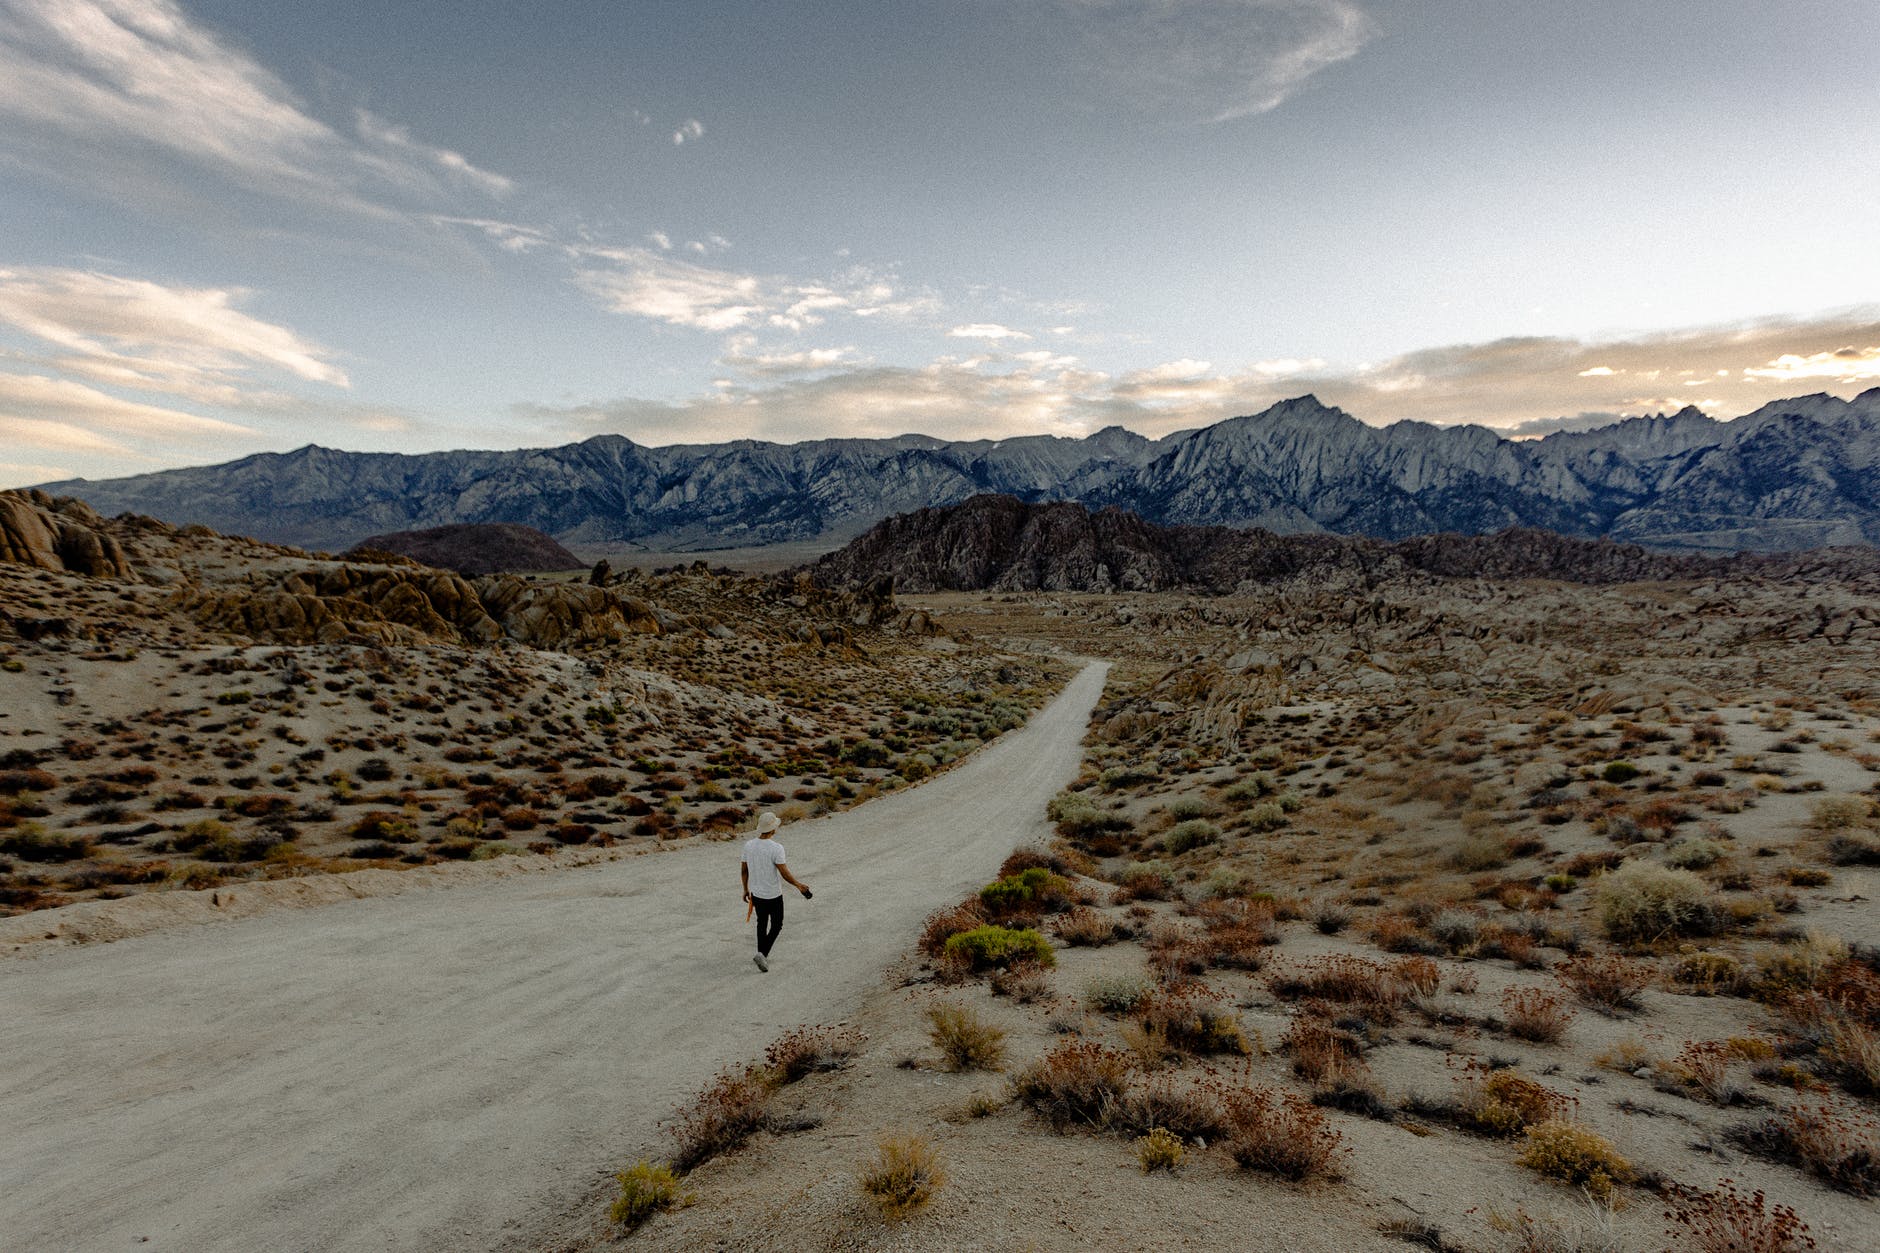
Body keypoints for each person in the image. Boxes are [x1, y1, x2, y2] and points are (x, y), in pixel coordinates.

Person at [741, 811, 811, 972]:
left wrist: (745, 889)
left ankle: (761, 955)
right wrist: (798, 885)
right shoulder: (776, 848)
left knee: (761, 923)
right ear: (773, 829)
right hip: (773, 894)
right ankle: (762, 954)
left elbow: (744, 870)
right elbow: (784, 872)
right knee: (777, 925)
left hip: (756, 894)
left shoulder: (749, 845)